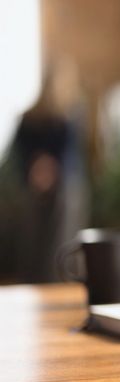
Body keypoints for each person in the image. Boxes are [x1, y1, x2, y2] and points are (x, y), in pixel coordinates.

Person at [0, 58, 87, 282]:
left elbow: (70, 158)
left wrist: (50, 171)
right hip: (33, 184)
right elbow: (19, 157)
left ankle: (58, 277)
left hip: (63, 187)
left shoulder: (70, 117)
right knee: (30, 220)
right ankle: (34, 278)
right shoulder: (28, 119)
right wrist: (36, 170)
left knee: (64, 205)